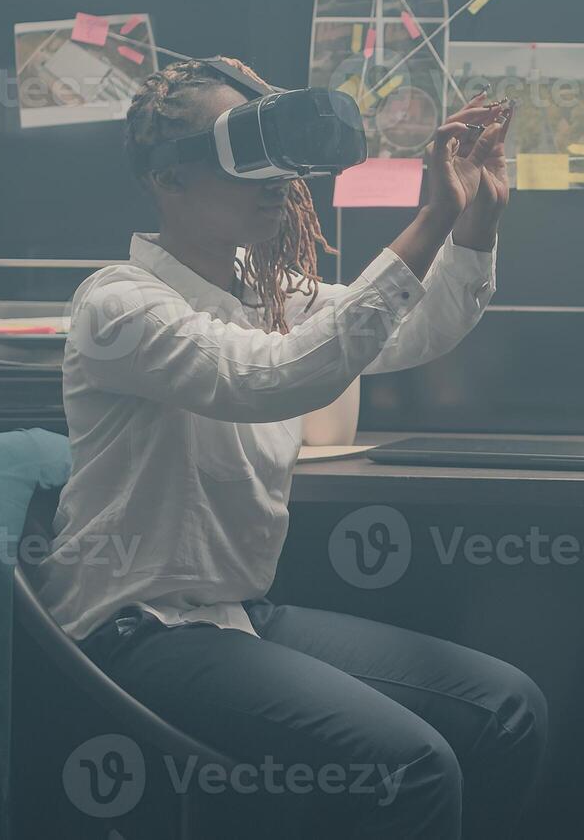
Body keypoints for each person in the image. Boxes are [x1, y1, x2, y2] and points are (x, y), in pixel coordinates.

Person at [35, 57, 544, 838]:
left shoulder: (265, 299)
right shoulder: (118, 307)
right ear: (167, 180)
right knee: (414, 764)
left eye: (277, 157)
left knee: (508, 708)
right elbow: (273, 377)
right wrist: (429, 217)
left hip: (237, 613)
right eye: (244, 158)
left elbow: (419, 326)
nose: (275, 181)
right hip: (138, 630)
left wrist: (477, 218)